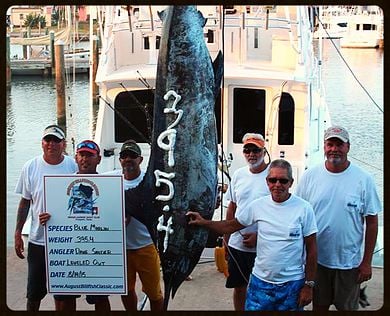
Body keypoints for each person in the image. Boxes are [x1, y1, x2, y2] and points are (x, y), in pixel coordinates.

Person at [187, 159, 317, 311]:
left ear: (291, 182)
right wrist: (204, 222)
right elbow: (230, 225)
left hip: (292, 284)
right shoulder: (258, 206)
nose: (277, 185)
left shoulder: (304, 208)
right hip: (260, 283)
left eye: (283, 180)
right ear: (267, 181)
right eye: (272, 180)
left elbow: (312, 249)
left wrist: (309, 285)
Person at [295, 125, 381, 311]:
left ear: (348, 147)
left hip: (349, 263)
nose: (334, 149)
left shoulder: (364, 179)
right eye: (330, 144)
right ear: (324, 147)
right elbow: (297, 216)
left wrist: (366, 262)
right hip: (317, 260)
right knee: (319, 306)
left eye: (339, 145)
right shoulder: (310, 177)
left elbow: (372, 222)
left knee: (347, 308)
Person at [39, 140, 111, 311]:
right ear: (76, 158)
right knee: (66, 298)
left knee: (100, 298)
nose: (85, 159)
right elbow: (52, 214)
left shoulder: (110, 186)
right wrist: (45, 219)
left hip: (97, 251)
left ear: (99, 159)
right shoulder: (60, 185)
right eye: (81, 155)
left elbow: (118, 217)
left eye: (90, 155)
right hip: (68, 251)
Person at [14, 124, 78, 311]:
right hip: (38, 241)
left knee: (65, 295)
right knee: (33, 294)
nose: (51, 144)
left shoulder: (72, 166)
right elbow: (25, 202)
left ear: (63, 144)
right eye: (47, 140)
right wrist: (18, 232)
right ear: (42, 143)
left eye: (56, 140)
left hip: (66, 242)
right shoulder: (30, 167)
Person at [106, 140, 164, 311]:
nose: (128, 159)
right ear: (120, 160)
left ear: (140, 159)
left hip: (146, 246)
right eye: (124, 156)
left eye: (132, 156)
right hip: (120, 249)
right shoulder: (109, 179)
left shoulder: (151, 181)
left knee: (155, 293)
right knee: (126, 290)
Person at [223, 133, 270, 310]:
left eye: (256, 150)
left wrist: (260, 236)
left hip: (264, 245)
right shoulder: (238, 175)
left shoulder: (273, 175)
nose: (251, 154)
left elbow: (280, 213)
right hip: (238, 244)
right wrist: (226, 240)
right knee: (239, 287)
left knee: (263, 288)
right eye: (247, 150)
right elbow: (232, 207)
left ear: (264, 152)